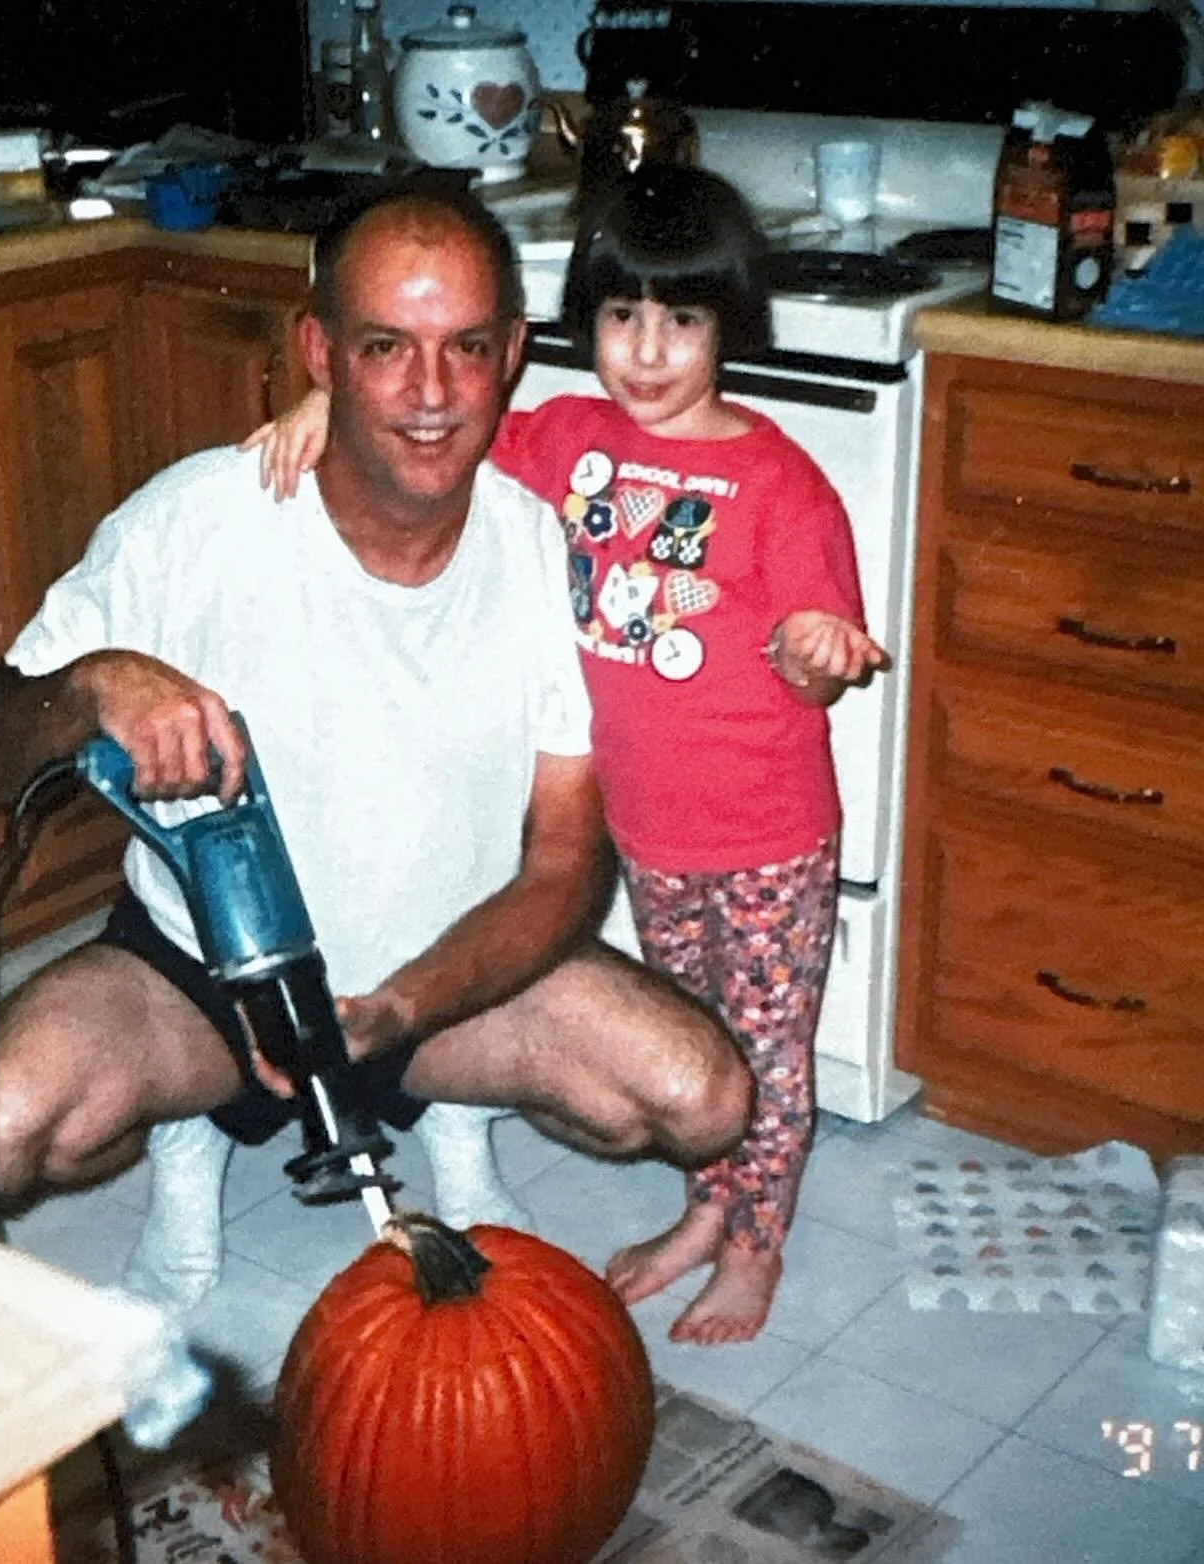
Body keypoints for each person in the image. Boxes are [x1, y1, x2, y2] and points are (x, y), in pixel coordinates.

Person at [0, 184, 756, 1316]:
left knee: (700, 1097)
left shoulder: (540, 544)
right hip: (207, 980)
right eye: (385, 348)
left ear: (513, 356)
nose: (430, 393)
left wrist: (409, 1006)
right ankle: (194, 1129)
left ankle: (454, 1115)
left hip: (440, 982)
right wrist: (92, 688)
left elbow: (568, 864)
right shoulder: (197, 520)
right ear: (318, 351)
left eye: (466, 348)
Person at [246, 165, 889, 1344]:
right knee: (698, 1036)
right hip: (641, 826)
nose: (646, 351)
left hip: (762, 833)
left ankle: (753, 1246)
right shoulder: (571, 439)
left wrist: (817, 647)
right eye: (621, 316)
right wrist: (317, 409)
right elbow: (437, 432)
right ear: (584, 323)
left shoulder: (781, 482)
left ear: (726, 327)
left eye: (681, 320)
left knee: (769, 1052)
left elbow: (820, 661)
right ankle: (709, 1207)